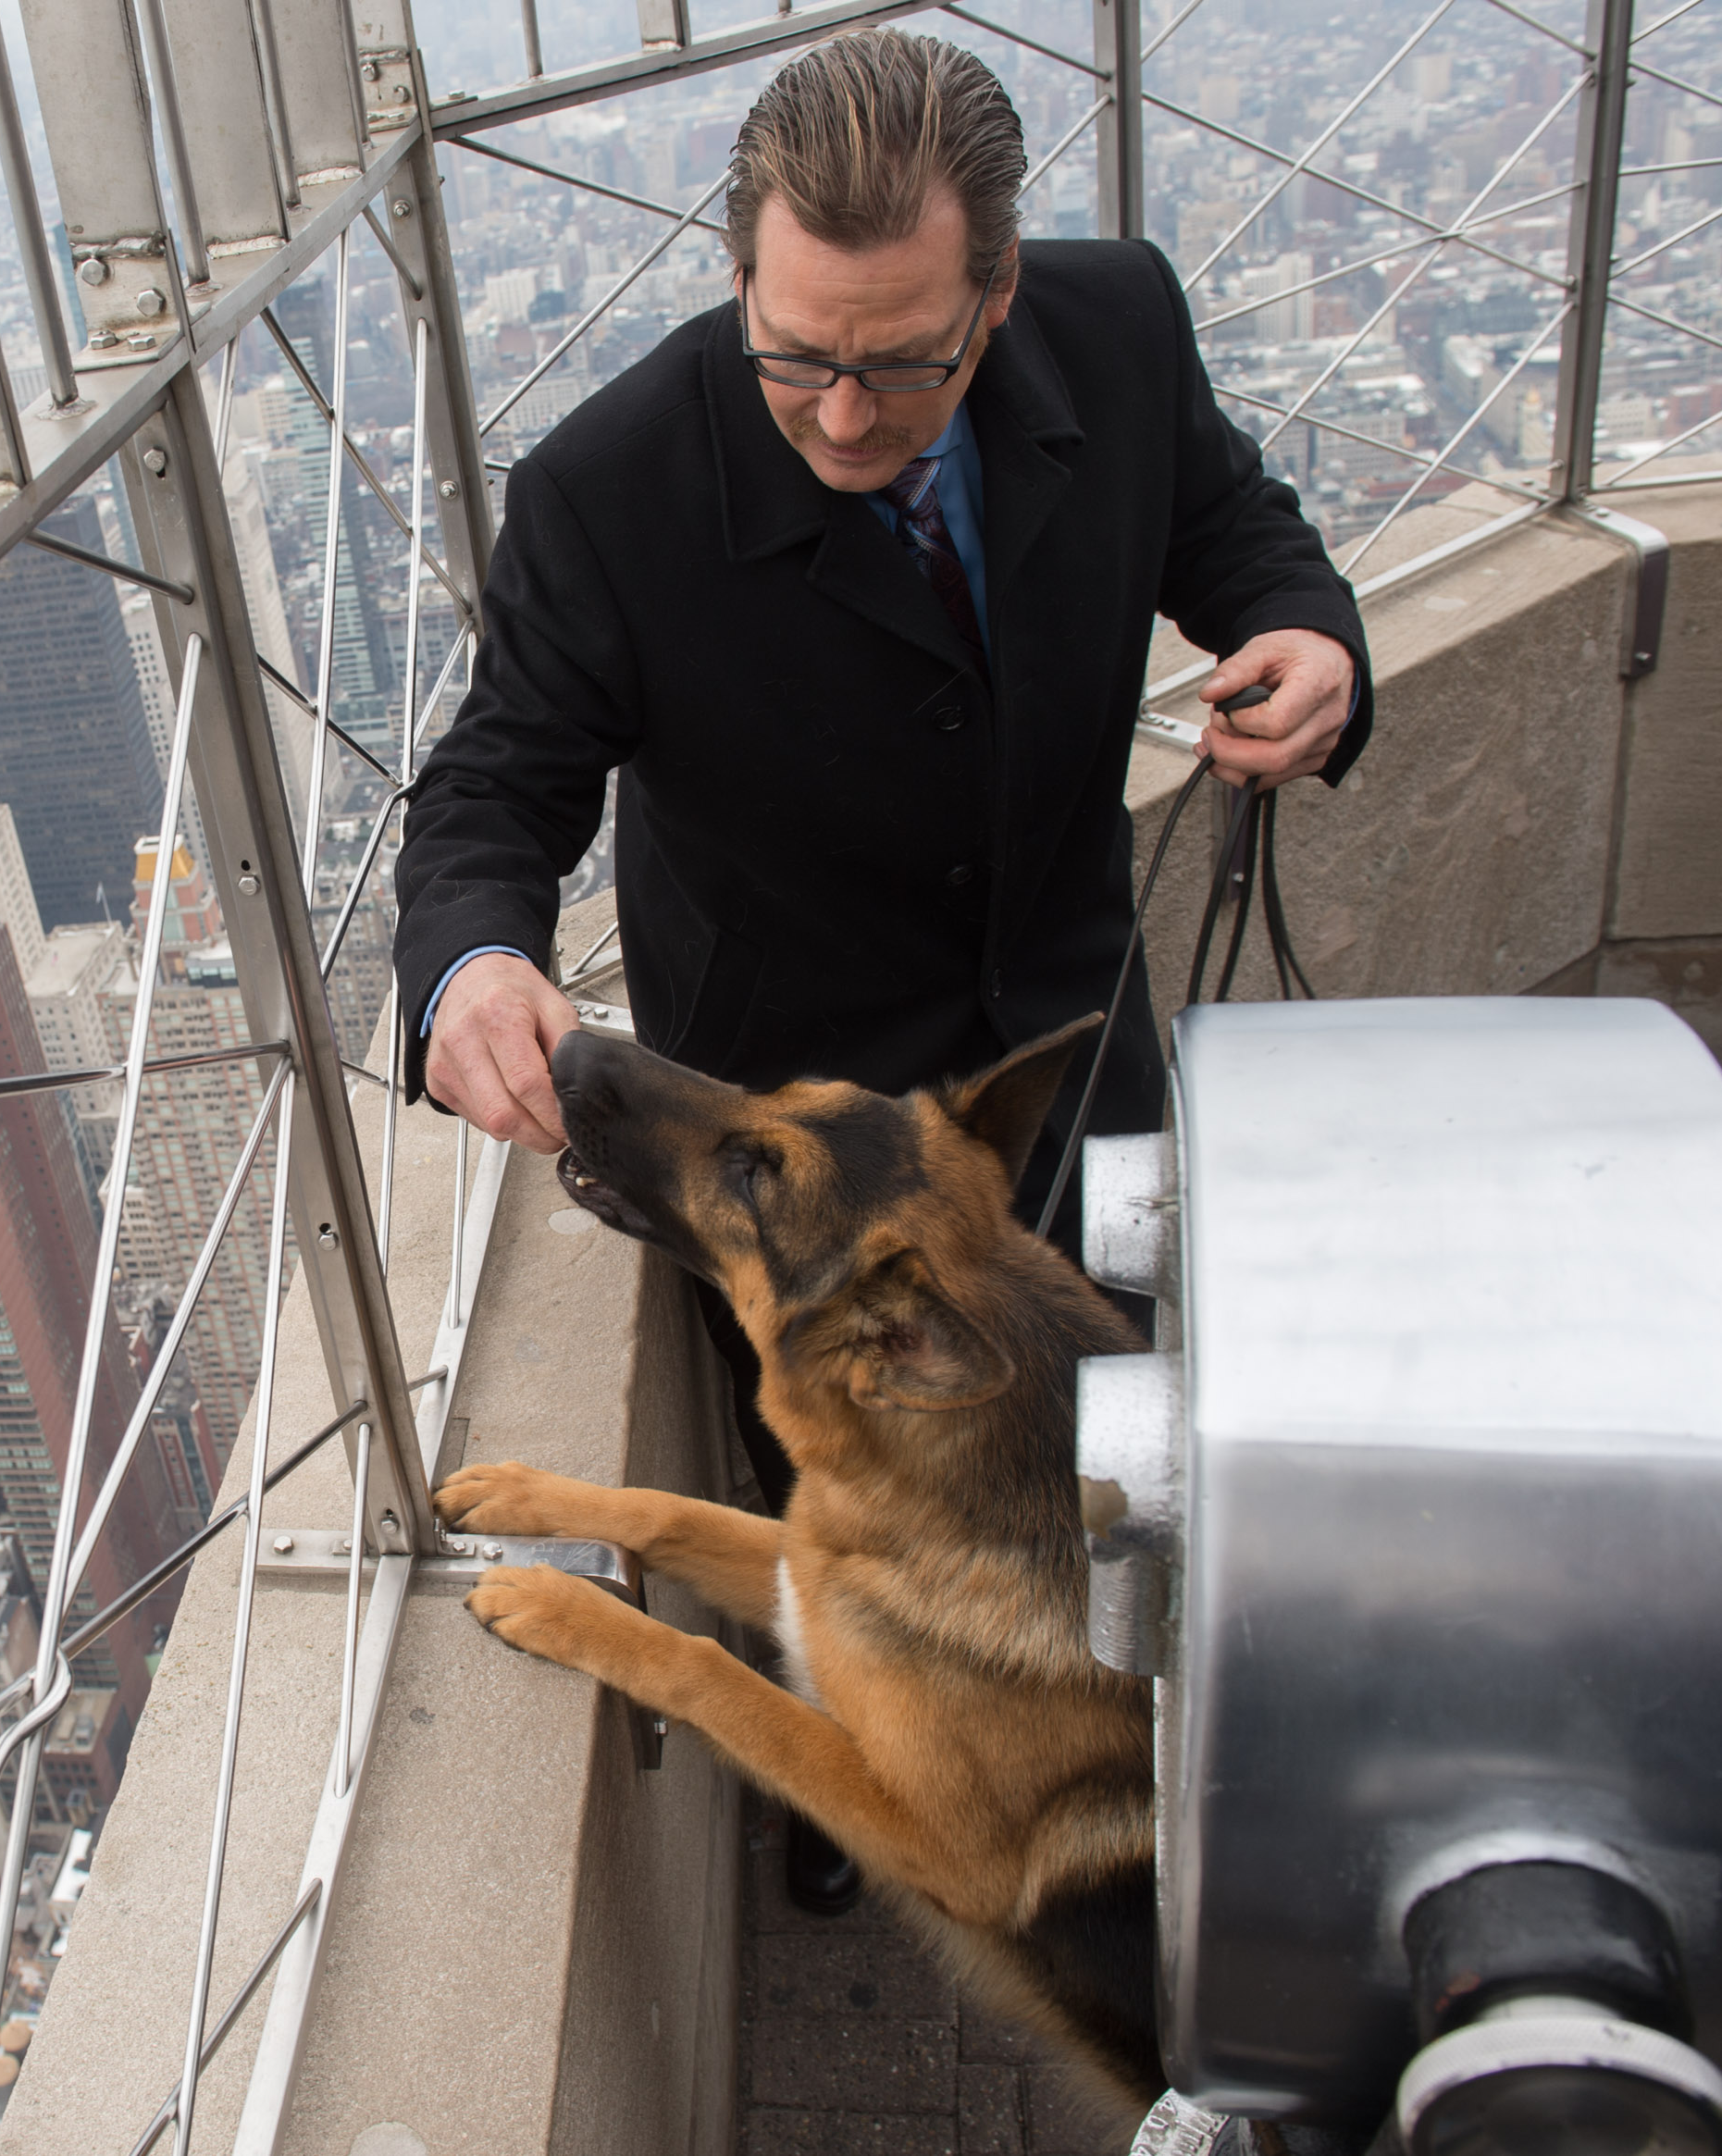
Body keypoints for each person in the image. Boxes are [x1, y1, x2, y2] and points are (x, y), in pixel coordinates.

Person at [390, 29, 1373, 1918]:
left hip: (1065, 1046)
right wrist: (475, 969)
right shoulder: (609, 488)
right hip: (808, 1120)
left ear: (997, 296)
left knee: (1134, 1401)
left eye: (905, 363)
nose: (843, 417)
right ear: (737, 278)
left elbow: (1230, 527)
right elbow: (495, 782)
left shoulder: (1118, 328)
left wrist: (1302, 635)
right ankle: (855, 1757)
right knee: (835, 1480)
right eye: (797, 355)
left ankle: (1148, 1708)